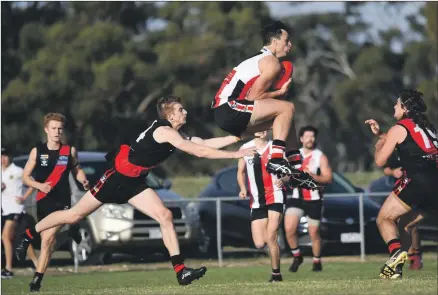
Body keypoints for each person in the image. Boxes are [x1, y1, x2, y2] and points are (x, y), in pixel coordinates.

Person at [16, 96, 255, 290]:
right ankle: (29, 233)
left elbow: (202, 142)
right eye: (181, 110)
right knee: (74, 216)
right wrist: (236, 155)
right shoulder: (165, 132)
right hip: (116, 178)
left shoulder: (175, 134)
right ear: (170, 116)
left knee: (165, 216)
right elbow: (199, 152)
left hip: (135, 182)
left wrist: (234, 138)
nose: (185, 113)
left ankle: (181, 271)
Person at [211, 20, 318, 190]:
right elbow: (255, 97)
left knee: (287, 120)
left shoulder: (260, 58)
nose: (289, 44)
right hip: (228, 108)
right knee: (287, 107)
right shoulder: (271, 62)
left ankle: (297, 171)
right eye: (286, 40)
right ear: (275, 42)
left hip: (226, 111)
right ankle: (276, 160)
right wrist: (280, 93)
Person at [365, 89, 438, 279]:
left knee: (384, 219)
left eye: (397, 104)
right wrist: (382, 134)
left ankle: (395, 254)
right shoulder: (428, 127)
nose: (394, 106)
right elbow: (410, 144)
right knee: (404, 225)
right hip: (435, 183)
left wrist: (379, 144)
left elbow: (380, 161)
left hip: (417, 181)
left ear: (405, 108)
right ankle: (395, 268)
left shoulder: (399, 127)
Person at [16, 113, 90, 292]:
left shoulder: (69, 151)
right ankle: (73, 227)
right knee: (46, 243)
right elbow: (25, 177)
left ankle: (36, 279)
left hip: (62, 200)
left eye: (60, 129)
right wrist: (39, 185)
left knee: (48, 237)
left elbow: (77, 169)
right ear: (46, 130)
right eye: (54, 128)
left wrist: (84, 180)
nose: (57, 132)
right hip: (43, 201)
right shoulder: (37, 151)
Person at [237, 131, 288, 283]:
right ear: (253, 130)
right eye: (259, 126)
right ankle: (274, 249)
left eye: (266, 126)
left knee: (271, 235)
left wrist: (284, 179)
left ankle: (276, 275)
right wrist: (242, 188)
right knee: (260, 243)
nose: (263, 130)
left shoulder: (275, 148)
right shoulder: (245, 148)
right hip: (257, 200)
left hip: (275, 195)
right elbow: (240, 172)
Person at [283, 126, 332, 273]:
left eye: (312, 136)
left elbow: (328, 178)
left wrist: (311, 176)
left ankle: (317, 261)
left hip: (314, 199)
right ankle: (297, 256)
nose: (310, 139)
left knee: (313, 233)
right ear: (301, 139)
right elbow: (285, 175)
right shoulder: (293, 156)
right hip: (297, 198)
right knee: (289, 229)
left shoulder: (320, 157)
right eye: (307, 136)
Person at [381, 152, 423, 270]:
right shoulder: (395, 152)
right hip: (401, 189)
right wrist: (393, 172)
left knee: (410, 225)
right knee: (403, 225)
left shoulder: (416, 147)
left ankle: (416, 255)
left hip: (416, 187)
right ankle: (409, 255)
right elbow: (385, 168)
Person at [1, 148, 38, 278]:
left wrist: (23, 197)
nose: (2, 159)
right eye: (1, 157)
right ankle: (37, 263)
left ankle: (8, 269)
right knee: (22, 239)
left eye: (5, 156)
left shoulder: (17, 171)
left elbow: (33, 184)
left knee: (5, 237)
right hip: (4, 210)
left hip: (15, 209)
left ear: (10, 157)